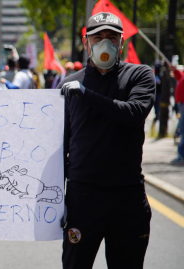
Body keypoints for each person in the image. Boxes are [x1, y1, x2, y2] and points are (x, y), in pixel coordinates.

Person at [59, 12, 155, 268]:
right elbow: (60, 144)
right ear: (86, 42)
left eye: (112, 37)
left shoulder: (140, 76)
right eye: (98, 37)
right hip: (83, 196)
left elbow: (134, 114)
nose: (105, 43)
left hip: (127, 196)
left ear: (122, 43)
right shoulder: (70, 84)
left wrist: (87, 95)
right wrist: (58, 197)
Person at [170, 64, 184, 165]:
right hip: (181, 104)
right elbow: (180, 77)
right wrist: (175, 71)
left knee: (183, 129)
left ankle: (181, 154)